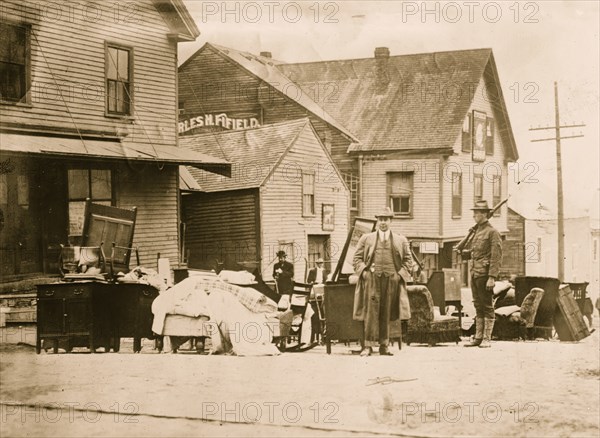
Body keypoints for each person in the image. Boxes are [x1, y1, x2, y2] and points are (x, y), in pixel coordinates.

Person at [353, 207, 414, 356]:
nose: (383, 222)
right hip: (372, 280)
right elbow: (356, 259)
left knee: (387, 312)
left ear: (391, 221)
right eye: (380, 219)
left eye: (386, 219)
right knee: (370, 312)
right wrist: (365, 273)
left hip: (391, 281)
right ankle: (367, 346)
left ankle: (384, 345)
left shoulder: (401, 240)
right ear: (377, 221)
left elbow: (408, 261)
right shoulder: (366, 238)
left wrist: (399, 275)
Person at [463, 200, 502, 348]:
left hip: (485, 274)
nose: (475, 215)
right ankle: (478, 337)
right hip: (474, 273)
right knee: (477, 305)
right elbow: (475, 252)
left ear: (485, 214)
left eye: (478, 213)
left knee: (487, 306)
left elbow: (496, 257)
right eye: (474, 212)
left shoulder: (493, 232)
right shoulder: (476, 231)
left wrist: (492, 277)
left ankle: (487, 338)